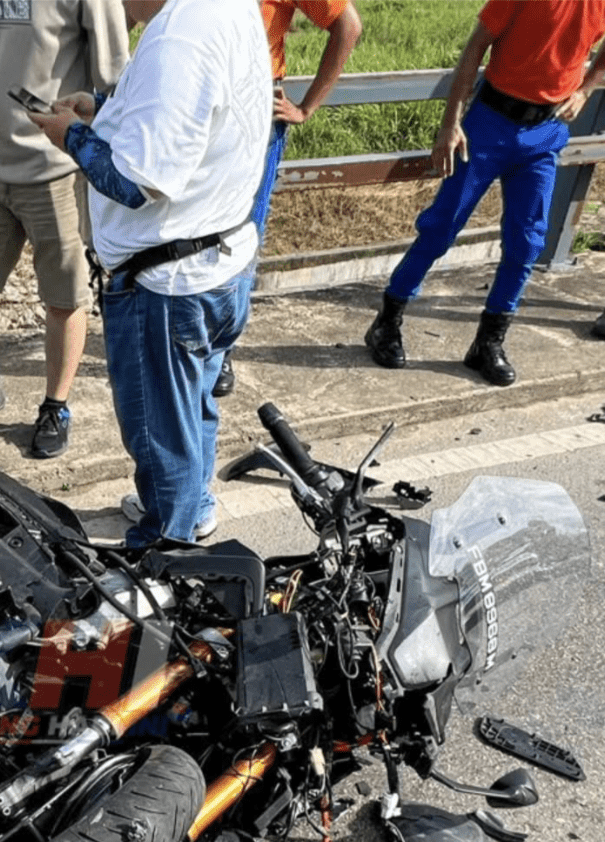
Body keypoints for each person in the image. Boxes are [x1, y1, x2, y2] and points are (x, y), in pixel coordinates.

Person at [31, 0, 271, 545]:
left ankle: (167, 545)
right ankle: (192, 501)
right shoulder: (226, 9)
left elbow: (133, 182)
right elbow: (185, 114)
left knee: (159, 432)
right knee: (193, 408)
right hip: (220, 259)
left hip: (168, 283)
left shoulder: (178, 37)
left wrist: (69, 134)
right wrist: (100, 108)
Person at [0, 0, 129, 459]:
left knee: (65, 298)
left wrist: (102, 145)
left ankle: (56, 405)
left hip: (56, 169)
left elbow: (115, 79)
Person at [365, 0, 605, 386]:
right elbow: (476, 45)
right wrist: (450, 125)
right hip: (489, 123)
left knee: (527, 243)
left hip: (545, 133)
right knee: (442, 226)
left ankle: (487, 343)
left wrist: (587, 87)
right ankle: (387, 320)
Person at [218, 0, 361, 396]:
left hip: (254, 109)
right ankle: (190, 334)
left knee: (241, 234)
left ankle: (221, 346)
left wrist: (307, 107)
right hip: (194, 99)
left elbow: (347, 25)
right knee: (186, 226)